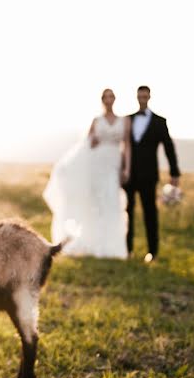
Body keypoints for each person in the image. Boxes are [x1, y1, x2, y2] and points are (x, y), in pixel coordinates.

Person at [43, 88, 131, 258]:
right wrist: (92, 142)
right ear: (102, 100)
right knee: (96, 204)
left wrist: (126, 168)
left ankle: (113, 247)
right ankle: (94, 244)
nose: (108, 99)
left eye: (111, 96)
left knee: (112, 202)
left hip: (113, 164)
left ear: (115, 99)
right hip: (96, 165)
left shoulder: (124, 120)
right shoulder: (96, 120)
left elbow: (127, 145)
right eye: (105, 97)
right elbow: (85, 145)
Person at [125, 86, 180, 262]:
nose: (142, 98)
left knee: (150, 213)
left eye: (145, 95)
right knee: (128, 213)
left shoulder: (159, 121)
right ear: (136, 97)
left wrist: (174, 172)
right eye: (139, 95)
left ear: (149, 97)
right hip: (128, 175)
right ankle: (127, 250)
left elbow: (168, 147)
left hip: (149, 175)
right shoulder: (127, 119)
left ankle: (152, 252)